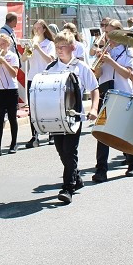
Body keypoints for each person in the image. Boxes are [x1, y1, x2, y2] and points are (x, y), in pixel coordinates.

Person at [41, 33, 100, 203]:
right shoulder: (51, 68)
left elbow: (94, 88)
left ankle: (68, 188)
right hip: (56, 116)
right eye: (57, 47)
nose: (59, 50)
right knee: (61, 150)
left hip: (74, 115)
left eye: (62, 46)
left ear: (72, 47)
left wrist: (94, 108)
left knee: (70, 150)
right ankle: (76, 177)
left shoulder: (81, 67)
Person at [93, 38, 133, 180]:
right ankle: (101, 170)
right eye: (106, 32)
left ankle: (132, 162)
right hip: (106, 93)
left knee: (124, 131)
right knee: (102, 131)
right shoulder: (105, 50)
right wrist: (98, 62)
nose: (108, 37)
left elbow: (128, 74)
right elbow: (98, 74)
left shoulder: (128, 52)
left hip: (123, 94)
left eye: (110, 32)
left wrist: (110, 61)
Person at [23, 19, 56, 148]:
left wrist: (38, 49)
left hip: (45, 77)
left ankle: (52, 133)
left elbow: (50, 60)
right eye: (34, 28)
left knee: (47, 106)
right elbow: (23, 59)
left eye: (38, 28)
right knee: (33, 108)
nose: (36, 30)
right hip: (32, 78)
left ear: (43, 29)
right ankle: (34, 135)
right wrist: (28, 49)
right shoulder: (32, 43)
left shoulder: (49, 44)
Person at [0, 33, 21, 155]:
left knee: (12, 118)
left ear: (8, 44)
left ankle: (13, 144)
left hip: (11, 90)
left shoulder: (12, 56)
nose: (0, 47)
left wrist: (4, 62)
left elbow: (14, 74)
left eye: (3, 44)